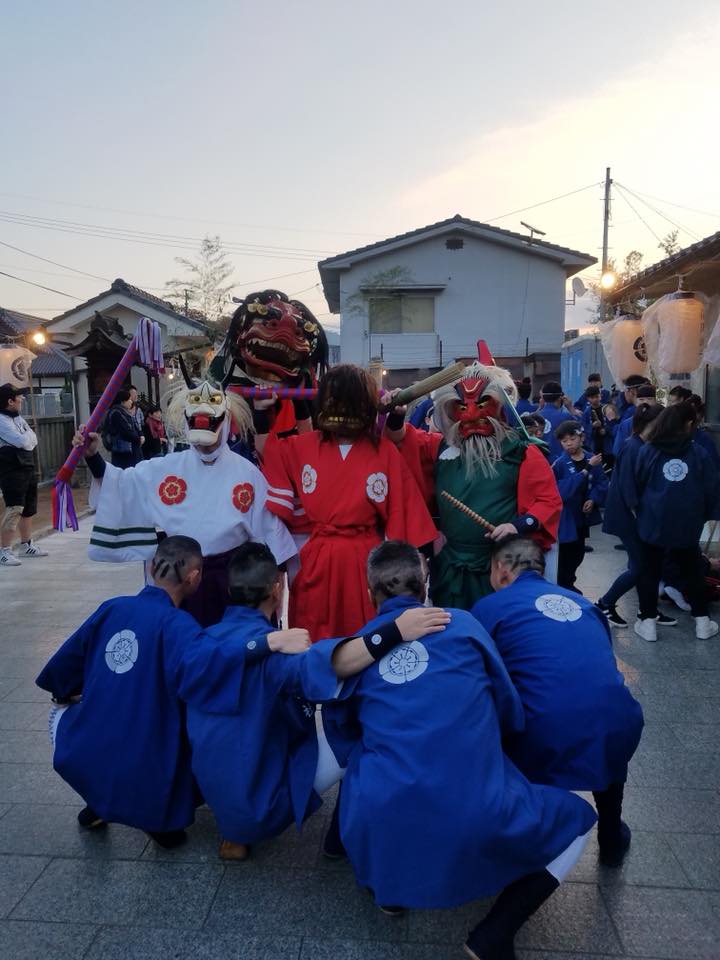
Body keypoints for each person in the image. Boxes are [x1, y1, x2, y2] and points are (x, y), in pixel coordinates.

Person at [321, 541, 596, 955]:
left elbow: (342, 731)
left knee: (370, 767)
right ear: (426, 582)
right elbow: (508, 709)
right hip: (478, 806)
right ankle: (494, 933)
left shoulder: (356, 648)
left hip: (378, 812)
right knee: (577, 820)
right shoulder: (465, 624)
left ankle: (388, 888)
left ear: (368, 591)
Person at [35, 536, 307, 847]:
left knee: (107, 714)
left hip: (83, 747)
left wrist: (66, 696)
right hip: (143, 756)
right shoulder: (181, 626)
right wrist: (268, 642)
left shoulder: (111, 608)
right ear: (194, 578)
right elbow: (214, 663)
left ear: (152, 567)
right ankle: (155, 817)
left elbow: (63, 669)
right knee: (189, 727)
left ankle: (99, 802)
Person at [186, 541, 450, 860]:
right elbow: (333, 665)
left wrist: (264, 643)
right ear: (277, 588)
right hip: (260, 805)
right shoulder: (281, 655)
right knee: (355, 733)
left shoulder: (202, 640)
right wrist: (394, 631)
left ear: (230, 591)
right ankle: (340, 841)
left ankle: (233, 836)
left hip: (212, 791)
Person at [472, 536, 644, 867]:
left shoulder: (488, 608)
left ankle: (520, 829)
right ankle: (610, 835)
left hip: (543, 729)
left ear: (501, 568)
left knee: (505, 717)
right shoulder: (586, 604)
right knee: (602, 723)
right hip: (620, 721)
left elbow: (477, 679)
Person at [73, 379, 296, 627]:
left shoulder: (247, 473)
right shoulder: (167, 467)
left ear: (225, 422)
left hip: (232, 583)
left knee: (227, 655)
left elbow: (269, 534)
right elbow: (122, 484)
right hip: (179, 583)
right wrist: (93, 456)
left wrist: (272, 585)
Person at [257, 364, 437, 639]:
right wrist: (261, 414)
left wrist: (410, 566)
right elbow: (267, 451)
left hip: (366, 560)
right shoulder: (303, 446)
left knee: (366, 635)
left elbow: (404, 510)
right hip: (317, 558)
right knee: (314, 632)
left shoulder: (383, 450)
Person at [386, 361, 562, 606]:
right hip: (450, 563)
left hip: (499, 565)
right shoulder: (440, 447)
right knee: (453, 631)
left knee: (496, 631)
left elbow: (548, 501)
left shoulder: (521, 452)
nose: (470, 415)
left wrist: (517, 526)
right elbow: (400, 439)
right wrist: (396, 413)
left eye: (481, 405)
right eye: (460, 407)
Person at [630, 402, 720, 642]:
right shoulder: (698, 451)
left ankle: (648, 622)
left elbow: (638, 482)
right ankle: (702, 622)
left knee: (649, 571)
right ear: (689, 424)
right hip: (687, 523)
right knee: (692, 572)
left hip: (653, 521)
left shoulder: (648, 450)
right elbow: (711, 488)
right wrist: (711, 516)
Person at [596, 404, 670, 628]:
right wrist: (635, 510)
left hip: (638, 515)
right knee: (639, 567)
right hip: (629, 517)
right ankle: (605, 603)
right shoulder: (632, 445)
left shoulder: (645, 445)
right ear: (652, 424)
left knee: (647, 564)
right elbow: (627, 484)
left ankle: (647, 610)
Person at [552, 421, 608, 592]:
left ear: (582, 438)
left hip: (583, 516)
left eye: (572, 438)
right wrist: (586, 469)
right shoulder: (560, 463)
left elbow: (602, 483)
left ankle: (569, 581)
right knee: (566, 553)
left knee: (579, 553)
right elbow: (561, 491)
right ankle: (564, 584)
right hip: (567, 517)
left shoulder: (592, 458)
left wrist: (593, 499)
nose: (569, 443)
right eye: (564, 441)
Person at [0, 384, 47, 566]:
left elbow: (33, 439)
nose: (21, 400)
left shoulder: (18, 418)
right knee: (14, 508)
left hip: (27, 465)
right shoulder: (1, 420)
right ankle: (4, 551)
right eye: (18, 397)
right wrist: (26, 440)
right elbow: (21, 440)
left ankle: (26, 545)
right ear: (10, 401)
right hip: (11, 469)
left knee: (28, 507)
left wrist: (26, 441)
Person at [537, 380, 580, 462]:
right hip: (560, 461)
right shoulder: (566, 416)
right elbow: (581, 430)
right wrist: (571, 408)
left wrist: (539, 408)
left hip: (539, 462)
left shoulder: (533, 417)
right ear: (561, 398)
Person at [612, 383, 657, 457]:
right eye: (641, 399)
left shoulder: (662, 421)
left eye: (650, 399)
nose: (645, 402)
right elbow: (618, 450)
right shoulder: (627, 424)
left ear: (656, 401)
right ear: (636, 402)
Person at [105, 389, 144, 469]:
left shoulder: (125, 412)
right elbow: (125, 432)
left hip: (131, 450)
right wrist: (138, 439)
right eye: (129, 399)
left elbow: (135, 427)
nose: (131, 402)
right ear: (122, 401)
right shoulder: (116, 413)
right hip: (124, 452)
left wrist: (141, 435)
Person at [582, 384, 615, 468]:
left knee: (609, 467)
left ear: (601, 395)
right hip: (594, 445)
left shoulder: (607, 409)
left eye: (597, 396)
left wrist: (605, 430)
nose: (595, 399)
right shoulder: (586, 412)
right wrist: (592, 426)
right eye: (592, 398)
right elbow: (583, 429)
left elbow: (614, 425)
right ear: (588, 399)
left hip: (607, 446)